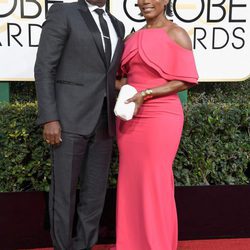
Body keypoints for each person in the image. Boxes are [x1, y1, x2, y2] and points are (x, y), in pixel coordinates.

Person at [34, 0, 125, 249]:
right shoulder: (64, 12)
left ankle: (83, 245)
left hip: (105, 120)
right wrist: (50, 117)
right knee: (64, 193)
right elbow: (44, 68)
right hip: (68, 118)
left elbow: (109, 75)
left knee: (94, 194)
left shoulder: (117, 25)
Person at [114, 0, 198, 249]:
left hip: (161, 116)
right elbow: (119, 78)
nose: (145, 2)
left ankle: (157, 243)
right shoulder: (131, 38)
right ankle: (130, 243)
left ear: (166, 1)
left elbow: (185, 80)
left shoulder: (177, 34)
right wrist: (125, 91)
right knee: (130, 179)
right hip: (130, 115)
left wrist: (146, 93)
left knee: (156, 179)